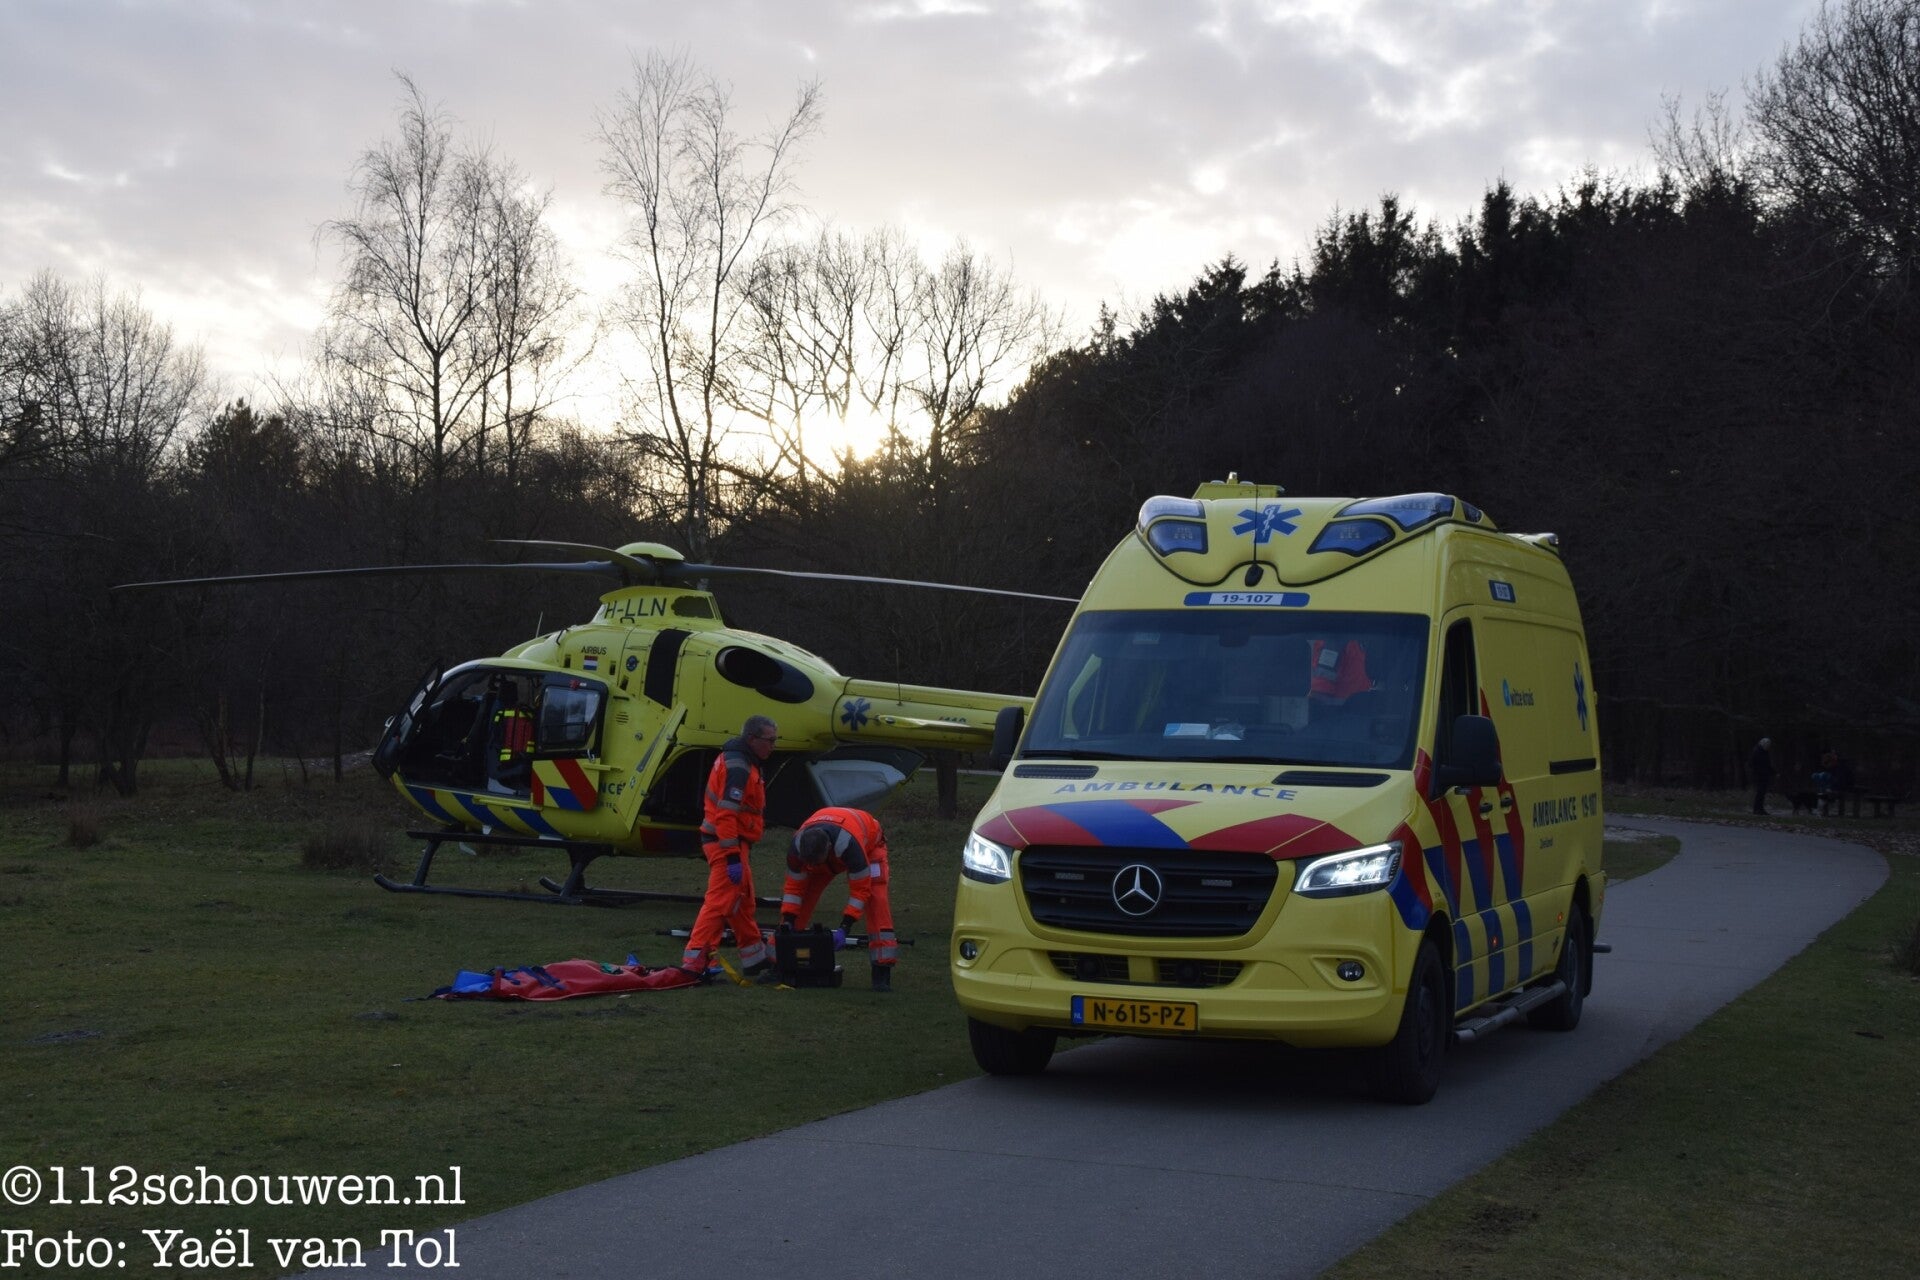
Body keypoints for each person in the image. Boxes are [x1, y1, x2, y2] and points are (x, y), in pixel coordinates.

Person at [683, 715, 777, 980]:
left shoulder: (742, 761)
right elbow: (726, 815)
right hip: (727, 844)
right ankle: (695, 961)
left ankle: (754, 958)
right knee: (719, 903)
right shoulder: (740, 768)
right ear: (752, 739)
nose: (773, 746)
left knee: (742, 901)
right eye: (769, 740)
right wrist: (733, 856)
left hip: (732, 842)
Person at [781, 806, 899, 991]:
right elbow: (793, 890)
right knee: (801, 901)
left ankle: (881, 970)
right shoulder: (797, 850)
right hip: (830, 850)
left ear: (828, 850)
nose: (811, 867)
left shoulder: (851, 848)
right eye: (809, 863)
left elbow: (861, 891)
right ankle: (778, 962)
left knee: (876, 900)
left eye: (815, 863)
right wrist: (788, 922)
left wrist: (845, 926)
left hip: (870, 847)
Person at [488, 682, 534, 794]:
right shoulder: (526, 713)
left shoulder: (498, 711)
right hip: (520, 762)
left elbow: (493, 737)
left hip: (503, 767)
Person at [1749, 736, 1774, 815]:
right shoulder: (1757, 752)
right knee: (1760, 793)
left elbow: (1767, 764)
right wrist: (1758, 773)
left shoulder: (1764, 752)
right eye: (1767, 745)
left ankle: (1760, 809)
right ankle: (1757, 809)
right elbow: (1753, 764)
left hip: (1763, 775)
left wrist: (1773, 772)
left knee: (1762, 793)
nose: (1768, 747)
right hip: (1759, 775)